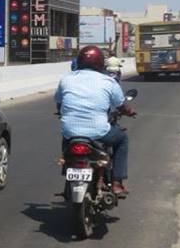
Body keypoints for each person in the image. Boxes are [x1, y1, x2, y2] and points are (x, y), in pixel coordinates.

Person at [54, 45, 136, 197]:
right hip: (99, 132)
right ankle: (117, 183)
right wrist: (130, 111)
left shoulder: (66, 79)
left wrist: (62, 111)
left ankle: (67, 170)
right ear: (100, 63)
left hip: (70, 132)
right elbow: (122, 105)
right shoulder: (109, 82)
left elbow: (59, 102)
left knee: (66, 136)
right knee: (122, 139)